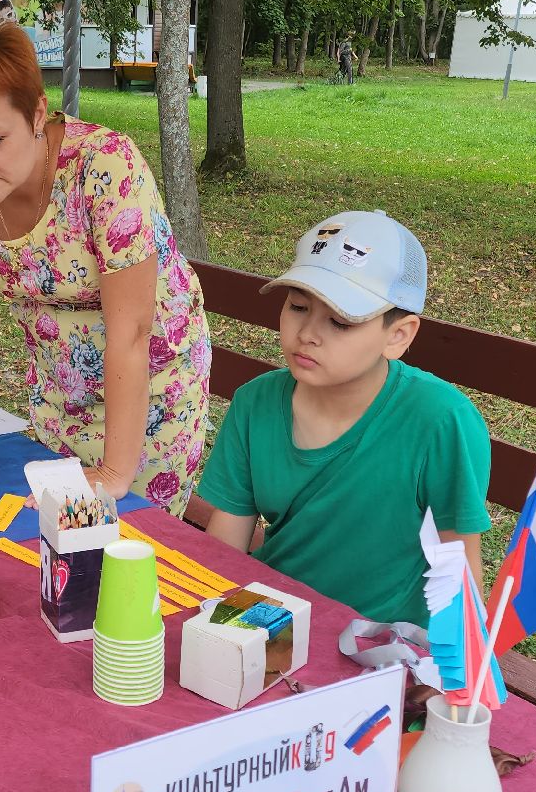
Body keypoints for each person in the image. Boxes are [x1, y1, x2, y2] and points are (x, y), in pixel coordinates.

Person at [0, 20, 213, 515]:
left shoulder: (106, 168)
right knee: (52, 546)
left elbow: (131, 331)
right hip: (58, 394)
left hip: (151, 396)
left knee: (127, 546)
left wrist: (113, 472)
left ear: (37, 114)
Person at [195, 212, 492, 626]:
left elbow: (459, 568)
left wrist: (452, 671)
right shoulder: (255, 403)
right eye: (298, 306)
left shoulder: (441, 421)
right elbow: (225, 552)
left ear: (398, 335)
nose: (308, 333)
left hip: (383, 647)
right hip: (272, 623)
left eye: (339, 321)